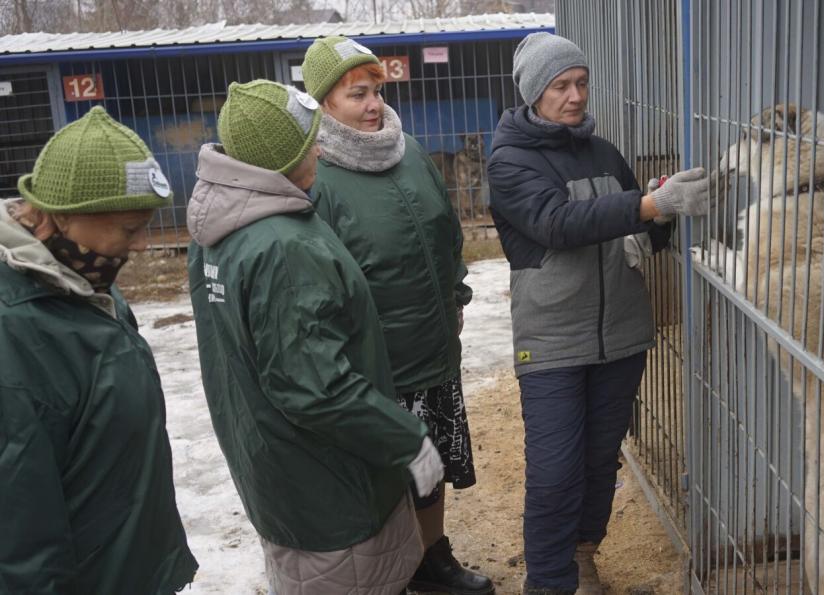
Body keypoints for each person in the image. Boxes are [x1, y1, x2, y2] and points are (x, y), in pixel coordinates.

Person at [186, 79, 443, 595]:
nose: (321, 151)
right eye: (309, 145)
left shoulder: (219, 227)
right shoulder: (281, 245)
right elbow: (314, 387)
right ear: (280, 159)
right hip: (328, 487)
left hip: (276, 471)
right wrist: (406, 438)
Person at [486, 32, 710, 595]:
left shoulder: (604, 152)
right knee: (555, 473)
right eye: (561, 85)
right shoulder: (510, 159)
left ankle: (583, 559)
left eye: (581, 82)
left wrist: (663, 208)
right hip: (554, 340)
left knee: (599, 460)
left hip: (621, 335)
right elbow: (558, 225)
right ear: (534, 91)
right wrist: (649, 204)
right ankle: (550, 582)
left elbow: (644, 230)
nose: (575, 95)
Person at [302, 36, 494, 595]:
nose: (372, 105)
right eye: (356, 94)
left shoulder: (405, 149)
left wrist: (455, 294)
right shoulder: (317, 174)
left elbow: (446, 233)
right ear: (322, 104)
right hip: (374, 364)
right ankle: (396, 569)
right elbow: (317, 276)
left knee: (430, 469)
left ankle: (433, 558)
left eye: (376, 91)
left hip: (432, 346)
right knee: (388, 477)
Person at [0, 106, 199, 593]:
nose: (140, 246)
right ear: (60, 219)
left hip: (131, 564)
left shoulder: (85, 289)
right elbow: (21, 538)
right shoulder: (16, 333)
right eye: (129, 229)